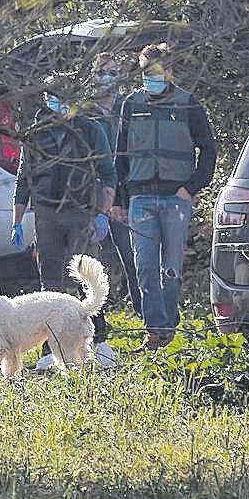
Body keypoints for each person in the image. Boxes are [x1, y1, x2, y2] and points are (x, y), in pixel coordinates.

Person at [112, 44, 217, 350]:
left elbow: (208, 149)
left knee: (170, 270)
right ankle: (155, 330)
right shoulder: (131, 103)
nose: (152, 77)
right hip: (140, 199)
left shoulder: (188, 103)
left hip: (176, 199)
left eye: (157, 72)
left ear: (169, 71)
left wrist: (193, 186)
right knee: (144, 266)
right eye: (146, 72)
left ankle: (168, 326)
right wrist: (119, 199)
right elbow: (121, 154)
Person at [11, 75, 117, 370]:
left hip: (81, 212)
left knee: (86, 279)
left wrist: (102, 213)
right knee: (51, 284)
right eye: (51, 95)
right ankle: (50, 351)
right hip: (46, 215)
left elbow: (108, 174)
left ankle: (101, 343)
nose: (55, 101)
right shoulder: (34, 132)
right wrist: (16, 221)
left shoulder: (90, 129)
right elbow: (23, 179)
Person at [88, 53, 141, 317]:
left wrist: (117, 199)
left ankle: (143, 314)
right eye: (102, 73)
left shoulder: (128, 107)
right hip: (92, 198)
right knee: (90, 263)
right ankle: (96, 319)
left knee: (133, 259)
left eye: (112, 73)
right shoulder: (84, 111)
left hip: (123, 195)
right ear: (92, 77)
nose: (107, 79)